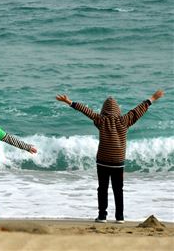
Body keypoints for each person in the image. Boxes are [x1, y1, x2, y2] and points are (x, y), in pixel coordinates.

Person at [56, 90, 164, 224]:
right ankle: (120, 217)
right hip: (118, 162)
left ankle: (102, 216)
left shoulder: (101, 120)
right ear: (117, 110)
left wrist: (69, 102)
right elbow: (138, 111)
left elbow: (86, 111)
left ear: (104, 110)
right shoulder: (124, 120)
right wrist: (152, 98)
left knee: (102, 189)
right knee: (118, 189)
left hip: (103, 161)